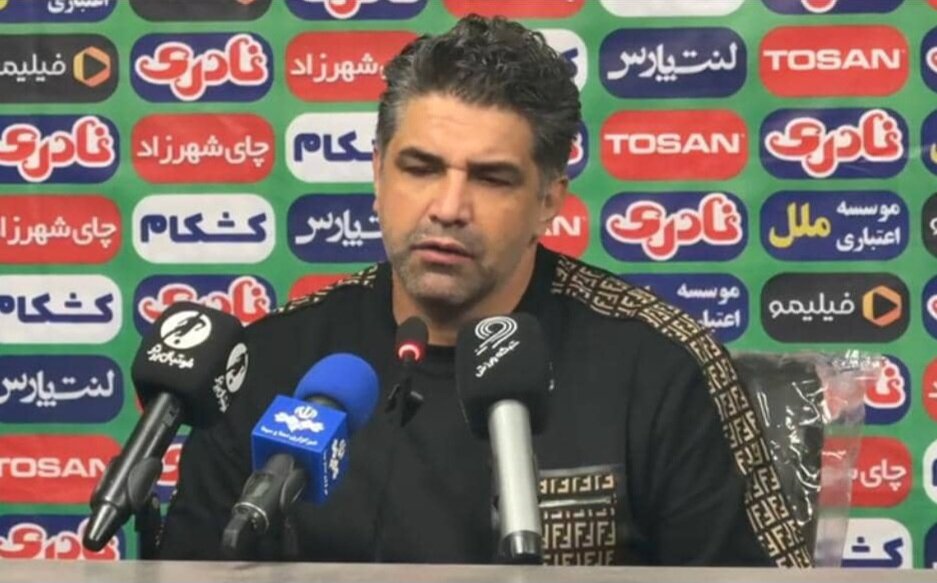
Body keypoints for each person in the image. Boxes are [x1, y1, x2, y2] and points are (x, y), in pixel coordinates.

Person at [158, 15, 809, 567]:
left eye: (491, 178)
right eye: (420, 168)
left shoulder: (662, 366)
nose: (448, 207)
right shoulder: (268, 362)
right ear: (378, 173)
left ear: (548, 199)